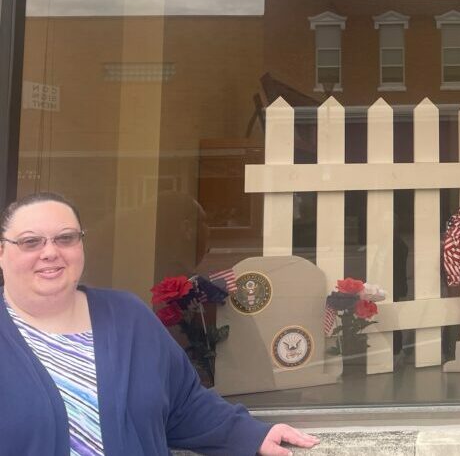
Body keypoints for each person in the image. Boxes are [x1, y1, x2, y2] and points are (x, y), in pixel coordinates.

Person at [0, 192, 319, 455]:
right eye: (30, 242)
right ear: (2, 252)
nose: (50, 252)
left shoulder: (126, 317)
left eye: (65, 238)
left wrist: (250, 435)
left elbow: (184, 403)